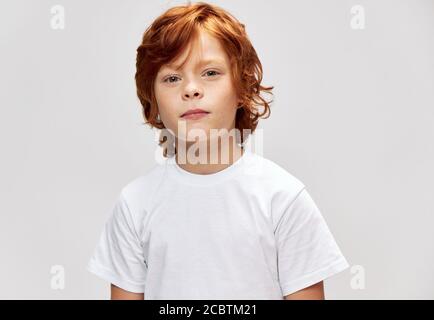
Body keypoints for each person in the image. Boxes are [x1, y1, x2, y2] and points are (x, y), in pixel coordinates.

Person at [86, 1, 349, 300]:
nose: (191, 89)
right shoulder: (134, 205)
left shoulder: (284, 199)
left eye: (210, 73)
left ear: (241, 89)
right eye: (172, 78)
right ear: (153, 100)